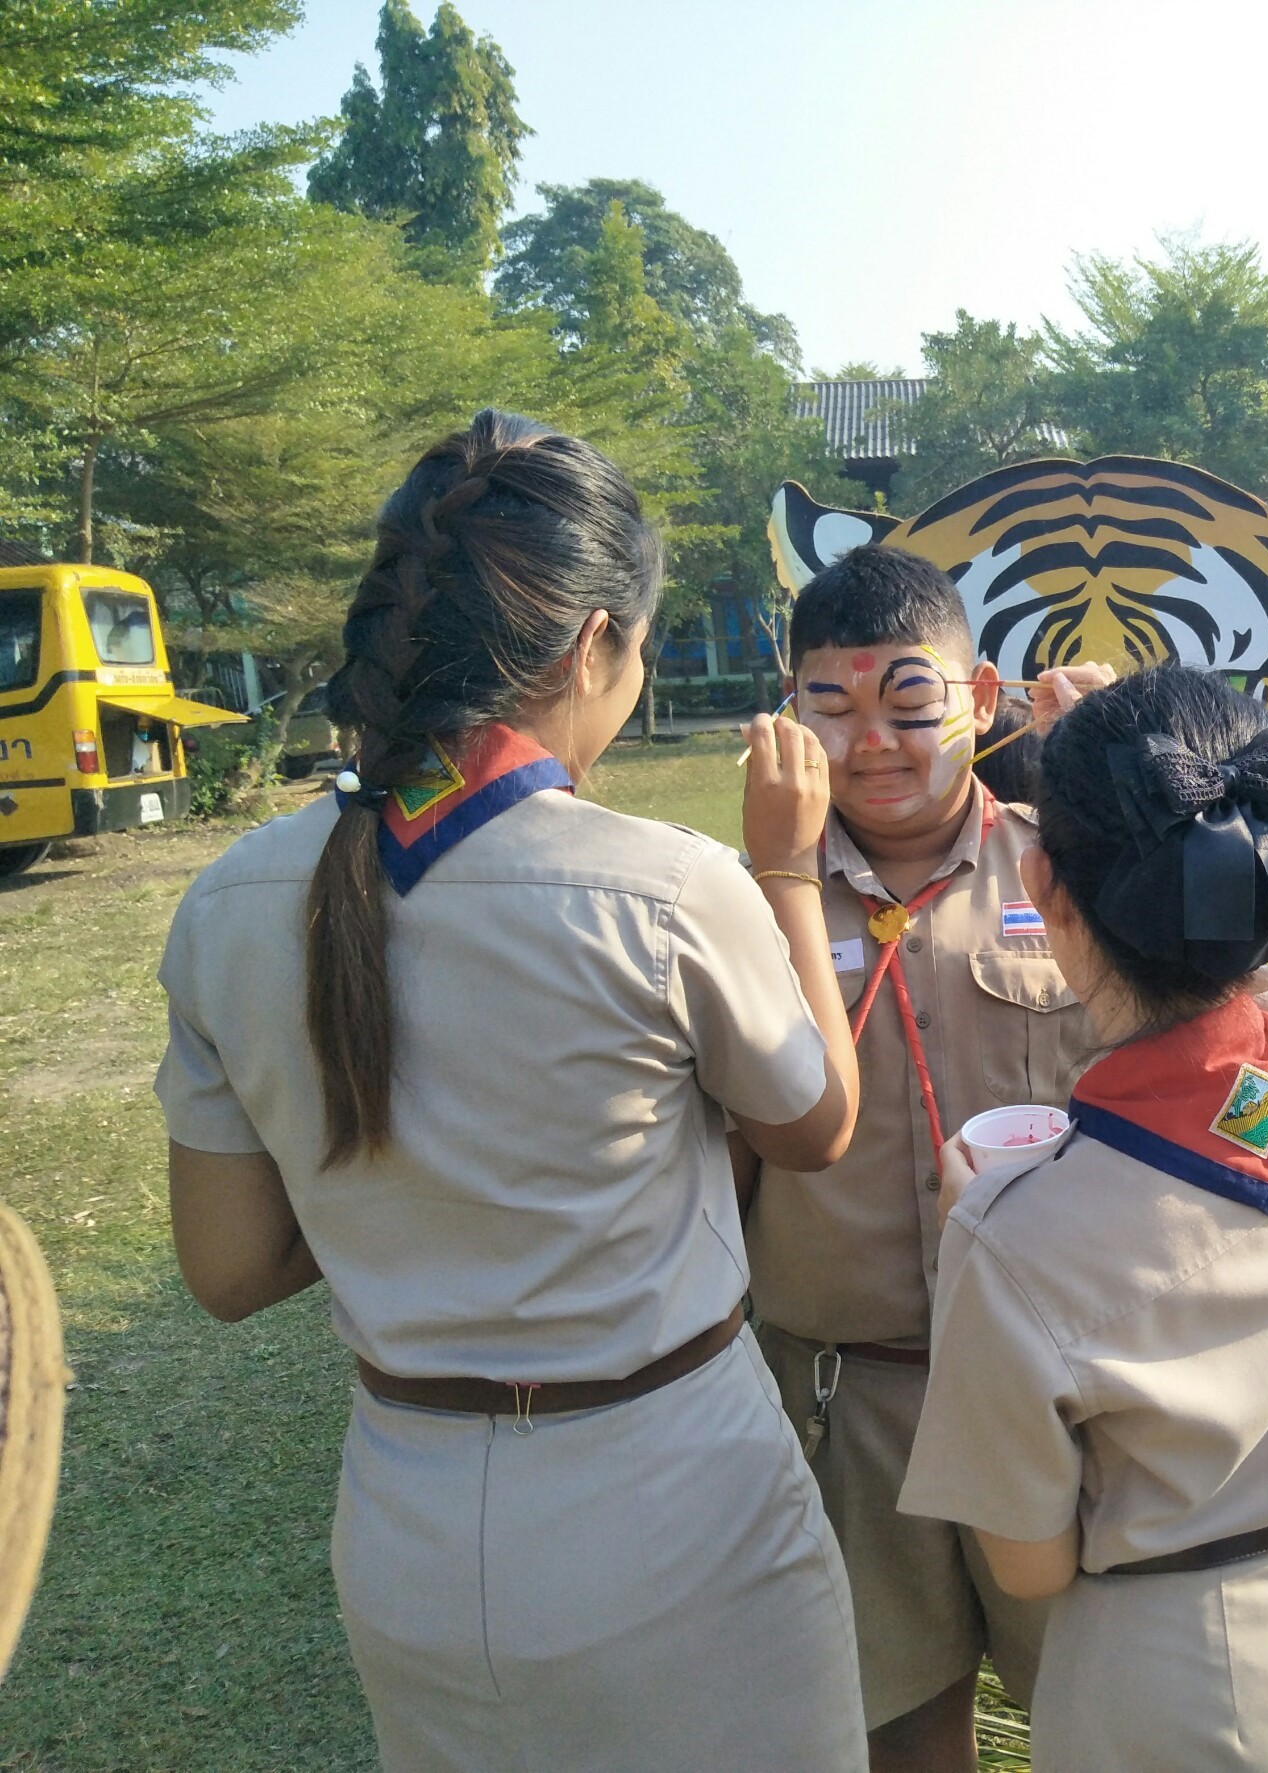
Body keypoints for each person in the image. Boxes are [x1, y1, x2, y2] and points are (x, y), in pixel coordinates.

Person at [156, 411, 868, 1772]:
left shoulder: (227, 901)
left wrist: (406, 1193)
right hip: (677, 1501)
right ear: (594, 643)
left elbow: (231, 1268)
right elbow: (818, 1120)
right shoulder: (664, 888)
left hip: (409, 1517)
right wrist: (785, 868)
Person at [899, 664, 1268, 1773]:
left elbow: (1030, 1566)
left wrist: (976, 1225)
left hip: (1173, 1672)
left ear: (1044, 887)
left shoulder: (1010, 1235)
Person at [738, 544, 1107, 1773]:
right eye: (830, 708)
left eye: (910, 702)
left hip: (1059, 1391)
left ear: (983, 699)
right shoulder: (744, 903)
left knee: (1093, 1704)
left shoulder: (1077, 871)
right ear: (787, 716)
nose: (872, 746)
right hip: (849, 1398)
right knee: (898, 1723)